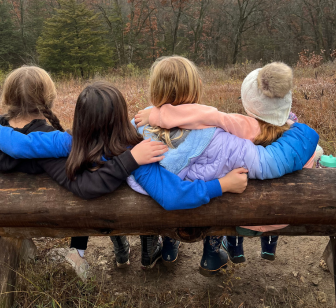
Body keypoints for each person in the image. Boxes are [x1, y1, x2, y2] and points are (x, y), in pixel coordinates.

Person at [0, 81, 248, 271]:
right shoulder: (137, 152)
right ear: (121, 115)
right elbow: (173, 196)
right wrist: (222, 184)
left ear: (80, 118)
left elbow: (21, 146)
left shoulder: (69, 142)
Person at [128, 56, 318, 276]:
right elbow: (269, 162)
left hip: (147, 209)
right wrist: (302, 132)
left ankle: (169, 250)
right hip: (199, 207)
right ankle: (211, 255)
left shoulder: (137, 125)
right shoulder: (219, 139)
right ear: (196, 87)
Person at [0, 67, 169, 279]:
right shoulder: (50, 146)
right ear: (48, 98)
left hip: (9, 218)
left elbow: (16, 144)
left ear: (8, 98)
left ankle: (111, 244)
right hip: (69, 215)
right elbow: (84, 185)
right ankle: (134, 241)